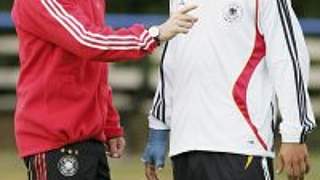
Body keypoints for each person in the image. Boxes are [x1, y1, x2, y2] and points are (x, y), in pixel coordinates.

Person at [11, 0, 198, 179]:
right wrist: (154, 35)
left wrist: (108, 123)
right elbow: (88, 42)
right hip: (54, 140)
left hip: (89, 140)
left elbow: (95, 65)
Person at [142, 0, 317, 180]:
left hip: (240, 143)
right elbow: (173, 60)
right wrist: (159, 127)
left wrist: (294, 133)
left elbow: (287, 59)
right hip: (186, 145)